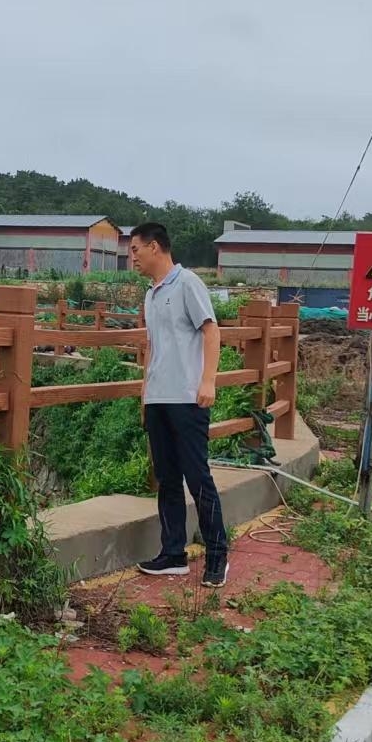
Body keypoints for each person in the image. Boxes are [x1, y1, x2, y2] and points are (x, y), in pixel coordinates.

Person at [127, 221, 229, 587]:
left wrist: (208, 381)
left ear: (155, 247)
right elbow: (152, 347)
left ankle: (218, 555)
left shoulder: (188, 283)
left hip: (187, 398)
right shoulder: (151, 294)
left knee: (197, 477)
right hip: (158, 399)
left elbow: (211, 330)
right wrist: (145, 392)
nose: (132, 258)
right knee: (167, 478)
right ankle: (173, 554)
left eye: (135, 250)